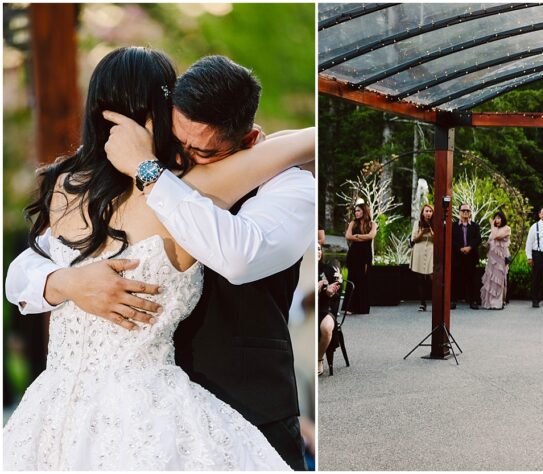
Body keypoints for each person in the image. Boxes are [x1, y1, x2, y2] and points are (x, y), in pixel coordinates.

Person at [3, 47, 315, 470]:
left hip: (248, 403)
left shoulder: (286, 187)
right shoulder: (79, 188)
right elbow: (24, 269)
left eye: (200, 151)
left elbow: (239, 255)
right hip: (107, 407)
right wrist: (66, 282)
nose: (183, 156)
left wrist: (148, 169)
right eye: (177, 137)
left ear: (250, 141)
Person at [343, 203, 376, 315]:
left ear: (364, 211)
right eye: (355, 211)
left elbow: (371, 236)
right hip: (354, 254)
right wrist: (363, 237)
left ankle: (362, 307)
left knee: (364, 279)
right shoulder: (353, 223)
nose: (356, 213)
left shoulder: (372, 224)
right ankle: (350, 307)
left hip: (365, 255)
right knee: (352, 278)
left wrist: (357, 236)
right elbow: (348, 236)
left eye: (358, 211)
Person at [451, 203, 482, 309]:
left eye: (467, 211)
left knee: (472, 279)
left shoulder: (475, 226)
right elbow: (451, 240)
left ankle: (472, 301)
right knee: (455, 279)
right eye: (463, 210)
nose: (465, 212)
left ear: (470, 213)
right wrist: (460, 248)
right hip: (457, 256)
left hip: (471, 256)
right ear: (459, 212)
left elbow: (478, 239)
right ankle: (453, 300)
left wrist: (469, 247)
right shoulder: (453, 226)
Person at [317, 243, 341, 375]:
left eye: (319, 249)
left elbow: (336, 288)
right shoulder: (303, 271)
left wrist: (329, 291)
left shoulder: (327, 269)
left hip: (326, 309)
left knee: (326, 327)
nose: (318, 252)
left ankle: (319, 358)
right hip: (307, 309)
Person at [480, 211, 512, 309]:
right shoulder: (493, 230)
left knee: (499, 280)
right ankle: (489, 303)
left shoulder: (507, 229)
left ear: (503, 219)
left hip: (501, 259)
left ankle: (498, 303)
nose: (497, 220)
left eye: (499, 218)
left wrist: (492, 225)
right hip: (492, 259)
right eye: (495, 218)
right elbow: (491, 241)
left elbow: (496, 236)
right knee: (491, 279)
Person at [410, 204, 434, 312]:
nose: (428, 213)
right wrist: (422, 232)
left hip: (431, 251)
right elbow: (414, 239)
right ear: (422, 213)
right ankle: (422, 303)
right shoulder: (417, 223)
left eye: (430, 211)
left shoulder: (435, 223)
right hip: (419, 251)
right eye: (426, 211)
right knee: (420, 278)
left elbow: (437, 240)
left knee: (431, 277)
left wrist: (431, 231)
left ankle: (436, 302)